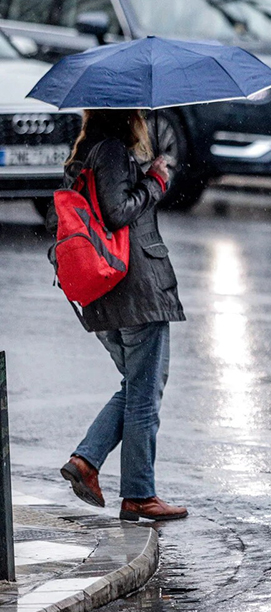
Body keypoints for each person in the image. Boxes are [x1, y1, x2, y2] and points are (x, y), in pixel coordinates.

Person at [58, 109, 188, 522]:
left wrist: (143, 175)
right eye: (139, 112)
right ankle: (138, 494)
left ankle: (87, 461)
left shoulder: (84, 155)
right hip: (135, 289)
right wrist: (156, 181)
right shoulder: (112, 151)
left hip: (105, 293)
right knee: (144, 394)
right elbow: (117, 212)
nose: (144, 119)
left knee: (136, 387)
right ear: (126, 114)